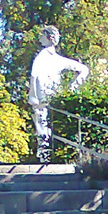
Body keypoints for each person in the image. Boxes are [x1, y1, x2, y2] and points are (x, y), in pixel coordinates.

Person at [26, 26, 89, 163]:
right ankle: (48, 156)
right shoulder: (54, 59)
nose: (40, 38)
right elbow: (83, 70)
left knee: (43, 128)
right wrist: (72, 89)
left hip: (42, 100)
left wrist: (34, 98)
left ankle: (45, 157)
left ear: (48, 37)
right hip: (53, 99)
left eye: (42, 36)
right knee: (47, 127)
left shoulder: (43, 57)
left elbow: (34, 77)